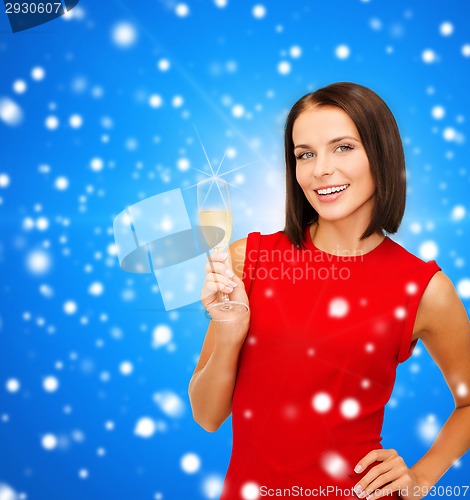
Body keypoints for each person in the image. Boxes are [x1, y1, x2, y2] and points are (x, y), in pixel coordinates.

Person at [188, 82, 470, 500]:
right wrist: (230, 330)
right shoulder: (250, 257)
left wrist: (419, 478)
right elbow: (207, 416)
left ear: (381, 153)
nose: (320, 169)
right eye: (305, 154)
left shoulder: (424, 288)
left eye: (342, 147)